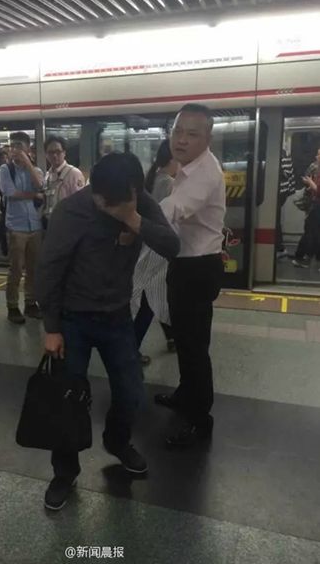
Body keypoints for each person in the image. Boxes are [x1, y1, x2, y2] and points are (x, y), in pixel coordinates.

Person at [35, 152, 180, 510]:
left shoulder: (141, 203)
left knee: (131, 393)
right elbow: (48, 270)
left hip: (116, 316)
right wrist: (51, 328)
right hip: (73, 319)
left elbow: (171, 245)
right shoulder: (71, 212)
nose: (104, 206)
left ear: (134, 192)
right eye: (100, 199)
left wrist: (133, 219)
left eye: (113, 201)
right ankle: (64, 472)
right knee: (68, 400)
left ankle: (117, 441)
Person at [156, 103, 226, 447]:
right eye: (177, 131)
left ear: (207, 138)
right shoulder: (188, 168)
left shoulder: (205, 173)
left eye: (192, 134)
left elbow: (174, 209)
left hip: (198, 268)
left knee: (195, 346)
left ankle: (200, 419)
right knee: (184, 339)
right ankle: (186, 394)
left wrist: (131, 216)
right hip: (186, 264)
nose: (181, 140)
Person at [131, 140, 178, 364]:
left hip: (148, 245)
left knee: (158, 294)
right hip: (160, 250)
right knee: (151, 300)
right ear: (173, 159)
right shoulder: (169, 183)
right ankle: (132, 348)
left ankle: (171, 336)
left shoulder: (153, 178)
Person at [0, 131, 43, 324]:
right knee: (16, 268)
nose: (15, 149)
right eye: (12, 145)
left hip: (35, 225)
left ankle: (31, 303)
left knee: (34, 268)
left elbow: (40, 185)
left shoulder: (36, 169)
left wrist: (28, 164)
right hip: (15, 226)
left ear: (28, 148)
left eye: (19, 145)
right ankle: (12, 306)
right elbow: (10, 192)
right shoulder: (5, 169)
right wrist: (34, 196)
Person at [42, 136, 85, 227]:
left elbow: (81, 203)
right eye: (50, 152)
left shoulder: (73, 173)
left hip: (68, 225)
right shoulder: (48, 175)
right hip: (50, 224)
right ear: (46, 154)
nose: (54, 155)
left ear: (64, 153)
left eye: (58, 152)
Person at [292, 149, 320, 268]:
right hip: (316, 204)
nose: (316, 156)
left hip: (317, 205)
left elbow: (318, 190)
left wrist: (310, 183)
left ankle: (301, 258)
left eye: (319, 154)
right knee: (314, 232)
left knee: (309, 231)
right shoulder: (316, 168)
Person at [276, 150, 296, 258]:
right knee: (276, 220)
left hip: (278, 192)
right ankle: (279, 247)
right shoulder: (284, 153)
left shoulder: (277, 154)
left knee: (274, 220)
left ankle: (280, 248)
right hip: (283, 191)